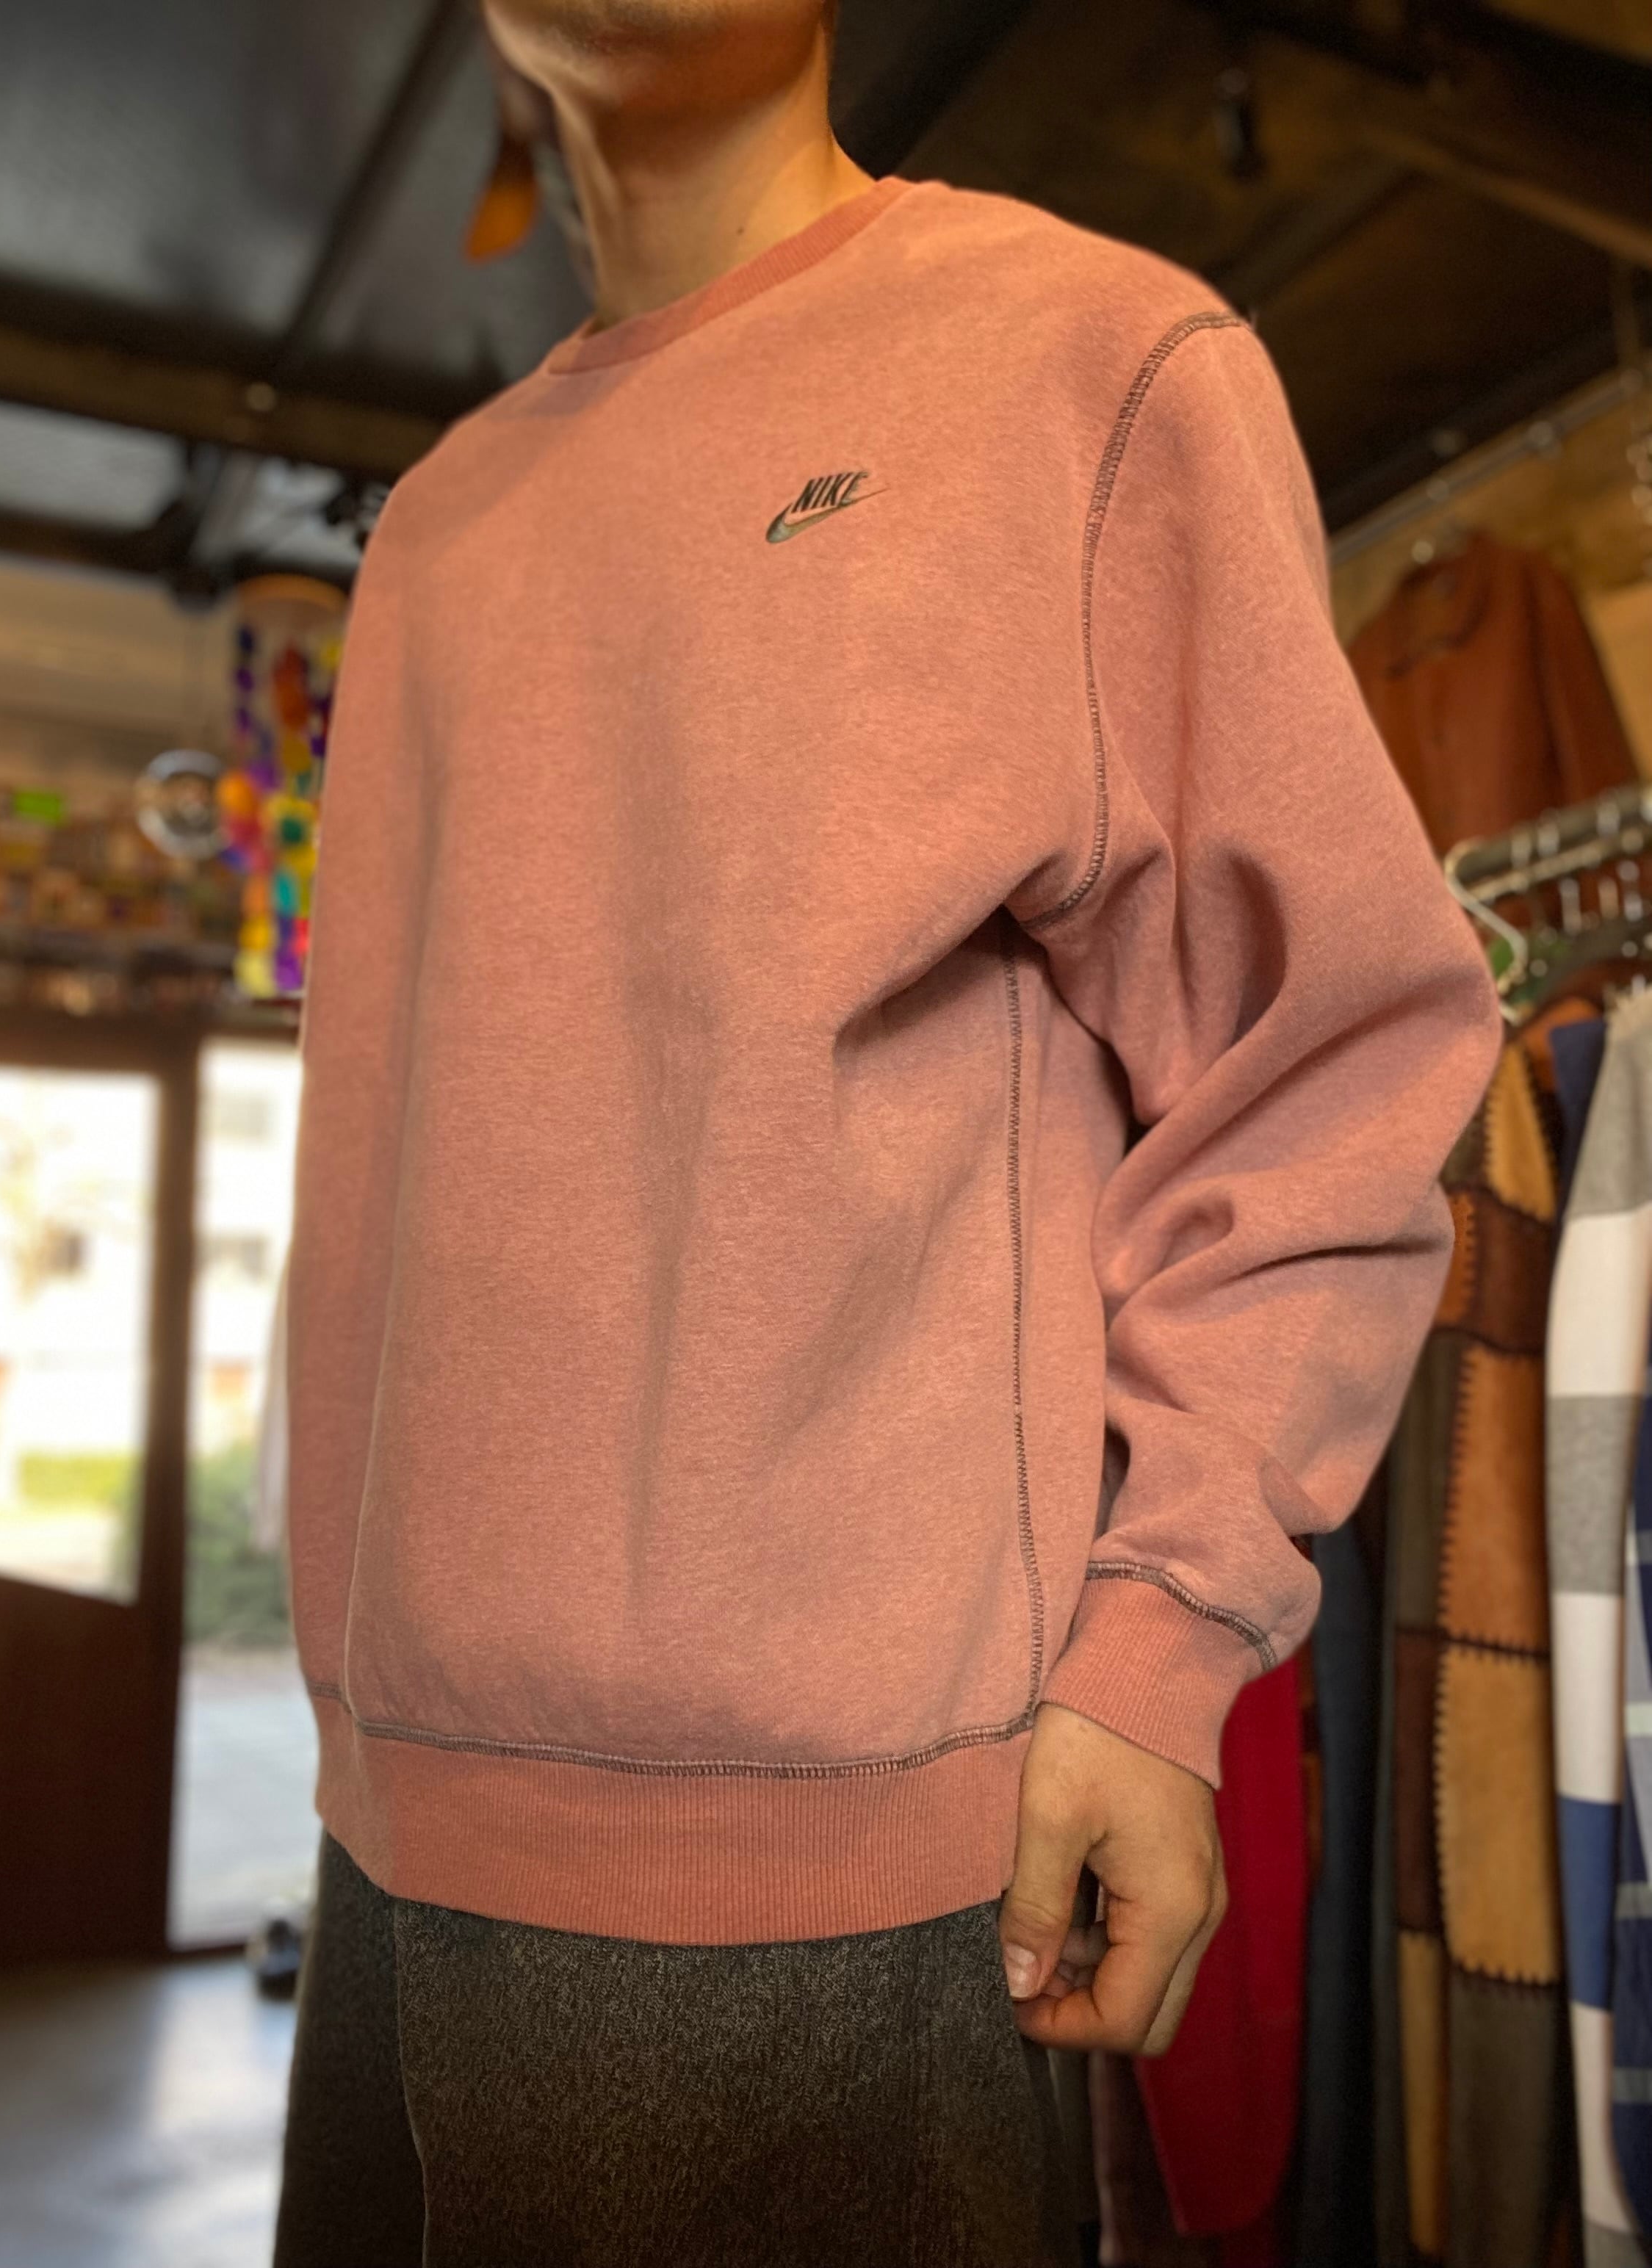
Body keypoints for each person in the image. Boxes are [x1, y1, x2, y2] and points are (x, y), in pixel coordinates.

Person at [272, 3, 1504, 2262]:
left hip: (838, 1859)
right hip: (393, 1812)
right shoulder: (438, 522)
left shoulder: (1084, 364)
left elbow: (1328, 1056)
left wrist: (1161, 1638)